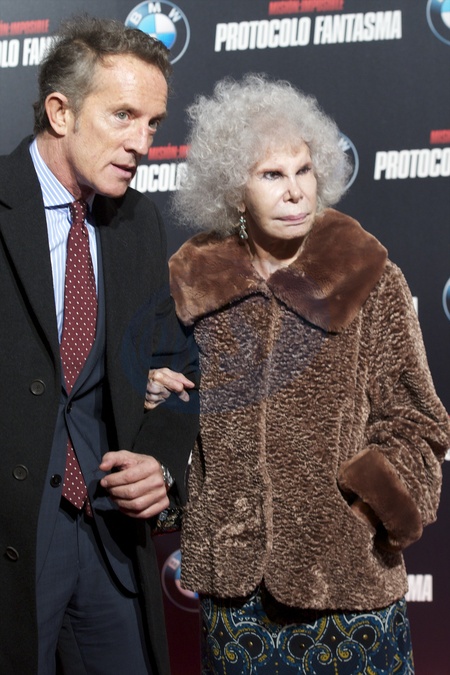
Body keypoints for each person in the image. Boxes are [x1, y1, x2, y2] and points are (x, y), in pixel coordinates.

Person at [146, 74, 450, 674]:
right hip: (236, 602)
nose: (295, 191)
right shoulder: (195, 287)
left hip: (350, 591)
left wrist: (361, 517)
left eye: (304, 170)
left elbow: (417, 422)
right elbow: (180, 428)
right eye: (272, 174)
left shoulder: (369, 277)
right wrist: (157, 408)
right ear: (235, 192)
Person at [0, 15, 199, 675]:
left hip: (111, 537)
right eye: (123, 116)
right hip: (14, 537)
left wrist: (161, 464)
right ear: (61, 112)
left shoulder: (139, 223)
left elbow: (175, 369)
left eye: (153, 124)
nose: (142, 142)